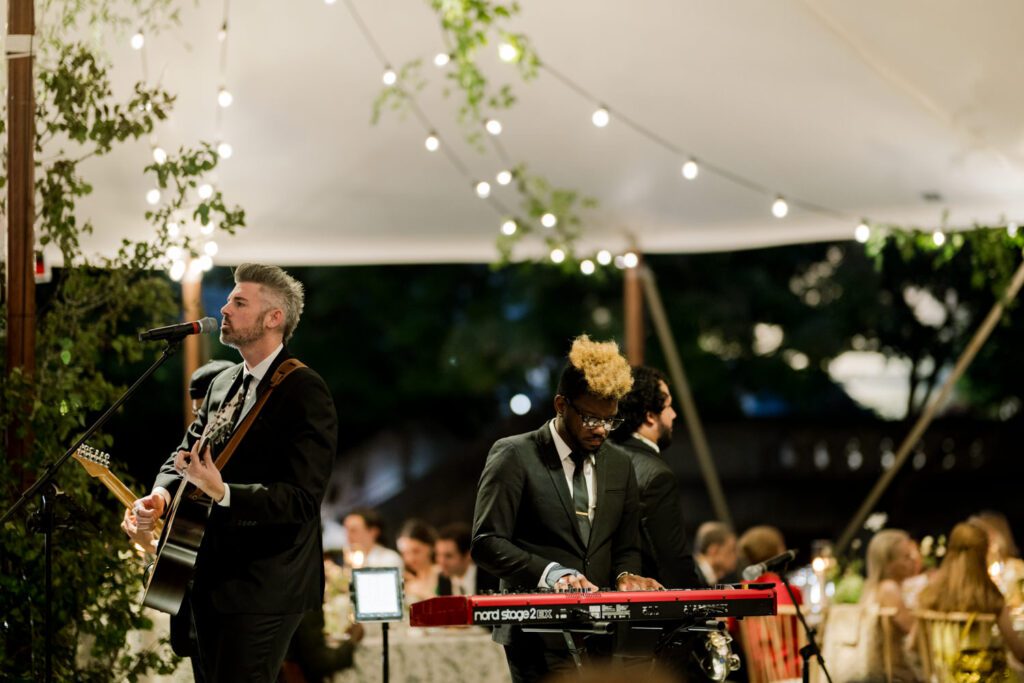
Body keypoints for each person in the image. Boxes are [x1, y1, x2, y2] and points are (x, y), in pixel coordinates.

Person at [124, 263, 338, 683]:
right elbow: (183, 455)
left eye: (239, 302)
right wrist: (161, 497)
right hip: (204, 574)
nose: (223, 308)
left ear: (273, 317)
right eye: (228, 300)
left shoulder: (304, 391)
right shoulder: (223, 382)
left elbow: (302, 500)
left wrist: (224, 492)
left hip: (264, 585)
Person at [472, 334, 661, 683]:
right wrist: (552, 574)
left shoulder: (619, 464)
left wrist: (625, 574)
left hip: (603, 626)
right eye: (591, 419)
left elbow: (626, 546)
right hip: (535, 631)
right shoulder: (514, 454)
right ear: (561, 405)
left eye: (611, 420)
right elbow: (486, 542)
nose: (602, 430)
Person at [609, 365, 702, 589]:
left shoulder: (603, 458)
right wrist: (702, 610)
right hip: (646, 608)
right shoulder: (657, 475)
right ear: (650, 416)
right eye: (668, 406)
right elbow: (671, 559)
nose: (674, 414)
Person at [917, 522, 1024, 673]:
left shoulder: (930, 595)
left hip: (946, 676)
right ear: (984, 553)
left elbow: (916, 645)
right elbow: (1019, 652)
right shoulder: (989, 597)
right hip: (983, 676)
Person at [860, 529, 919, 682]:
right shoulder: (889, 588)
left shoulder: (872, 587)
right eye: (906, 557)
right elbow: (914, 632)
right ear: (888, 563)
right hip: (892, 674)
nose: (913, 560)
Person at [435, 522, 499, 596]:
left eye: (448, 556)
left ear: (468, 556)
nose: (441, 561)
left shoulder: (491, 578)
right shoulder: (443, 579)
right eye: (438, 554)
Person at [397, 518, 442, 603]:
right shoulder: (407, 580)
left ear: (430, 547)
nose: (410, 558)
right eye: (405, 553)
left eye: (416, 551)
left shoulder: (444, 574)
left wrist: (422, 592)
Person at [694, 521, 739, 586]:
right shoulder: (690, 575)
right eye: (731, 550)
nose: (736, 556)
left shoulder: (712, 578)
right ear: (714, 550)